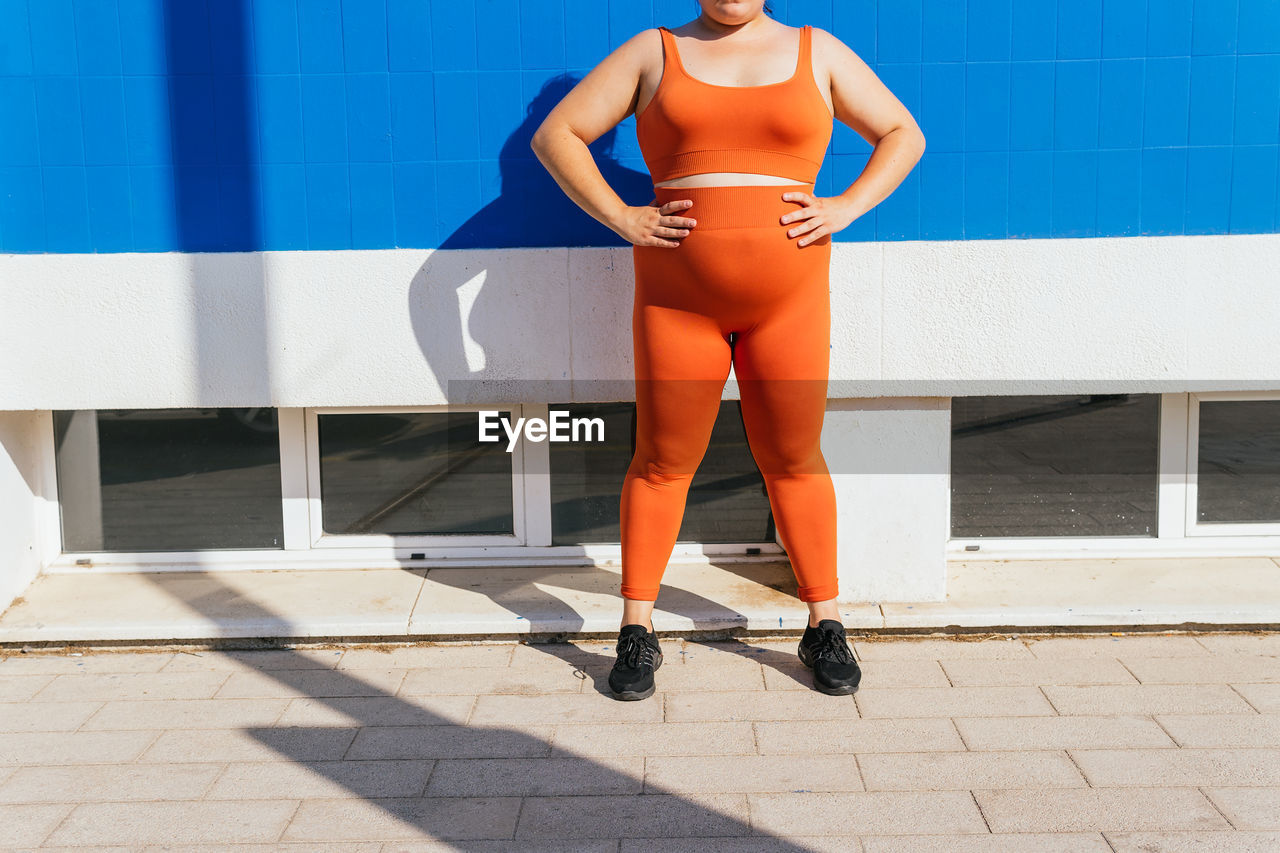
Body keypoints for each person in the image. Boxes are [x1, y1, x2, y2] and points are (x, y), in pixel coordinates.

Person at [531, 1, 925, 700]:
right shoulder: (654, 52)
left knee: (795, 456)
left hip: (791, 303)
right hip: (677, 304)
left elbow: (903, 133)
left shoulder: (818, 51)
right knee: (661, 461)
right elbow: (558, 134)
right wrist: (621, 215)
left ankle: (824, 622)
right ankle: (636, 628)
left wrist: (847, 205)